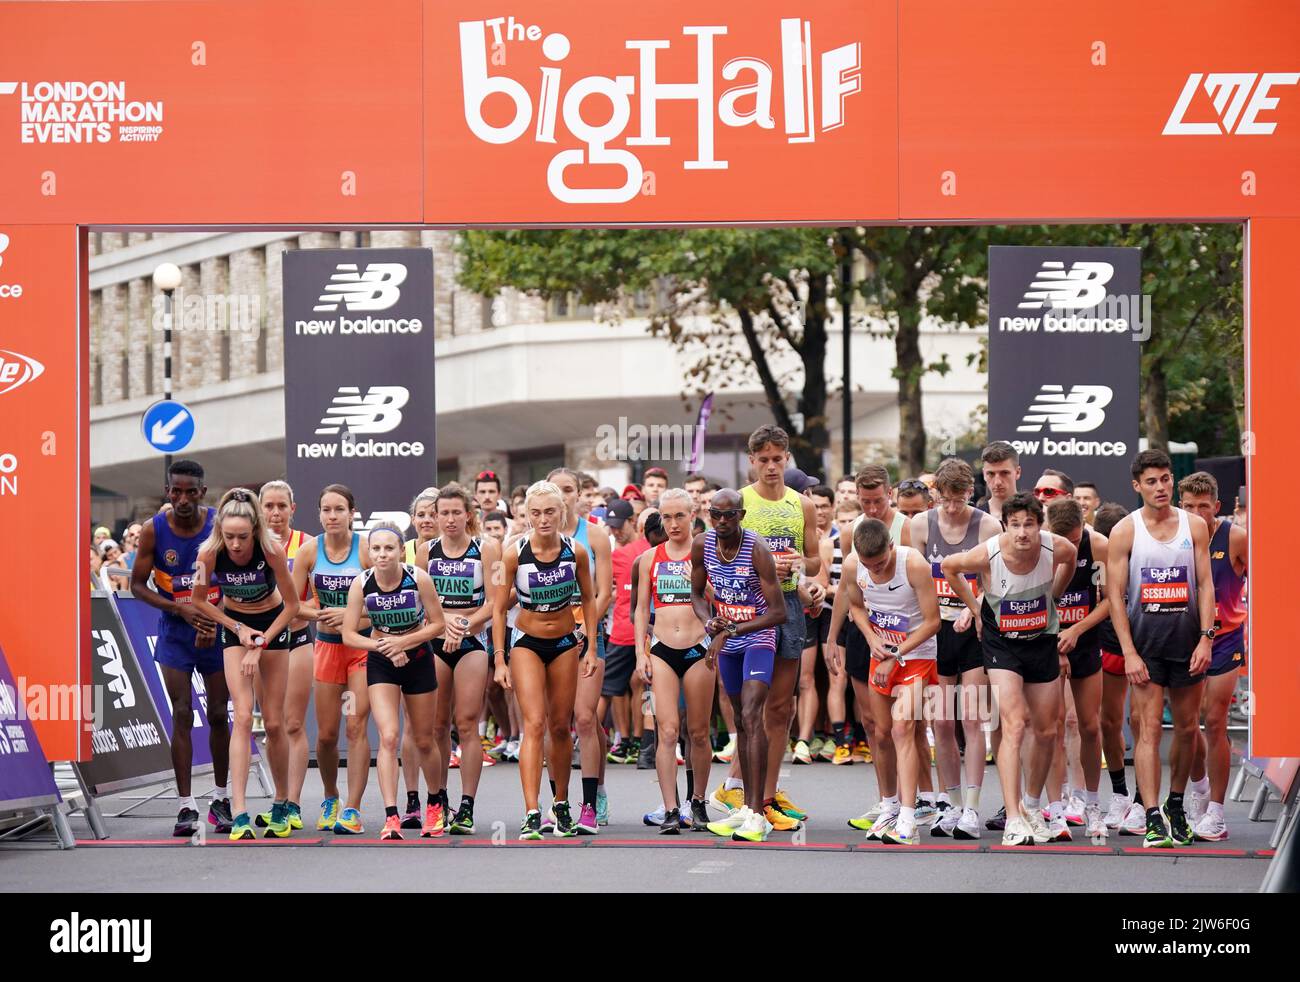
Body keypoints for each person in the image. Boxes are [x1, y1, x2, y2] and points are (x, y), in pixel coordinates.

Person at [942, 491, 1076, 847]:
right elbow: (949, 568)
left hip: (1041, 640)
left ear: (1039, 526)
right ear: (1005, 526)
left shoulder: (1055, 547)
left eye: (1029, 525)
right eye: (1015, 525)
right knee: (1015, 723)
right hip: (1002, 643)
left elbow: (1072, 558)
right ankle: (1014, 816)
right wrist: (974, 609)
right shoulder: (988, 552)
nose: (1022, 533)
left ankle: (1032, 804)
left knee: (1047, 731)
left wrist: (1054, 597)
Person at [1106, 450, 1216, 848]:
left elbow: (1205, 585)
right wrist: (1129, 652)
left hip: (1188, 643)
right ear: (1137, 486)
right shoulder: (1124, 530)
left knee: (1187, 729)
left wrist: (1207, 636)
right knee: (1148, 729)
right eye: (1151, 481)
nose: (1161, 487)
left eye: (1166, 479)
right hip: (1146, 646)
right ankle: (1152, 815)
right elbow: (1115, 597)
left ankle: (1175, 805)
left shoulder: (1195, 526)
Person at [715, 425, 819, 831]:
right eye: (764, 460)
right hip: (746, 609)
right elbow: (718, 558)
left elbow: (815, 560)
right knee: (749, 709)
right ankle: (742, 791)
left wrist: (798, 565)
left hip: (788, 606)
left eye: (779, 459)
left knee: (780, 708)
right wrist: (759, 566)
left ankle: (766, 796)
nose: (772, 466)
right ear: (752, 462)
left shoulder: (802, 504)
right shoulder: (740, 503)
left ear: (787, 459)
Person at [129, 459, 232, 836]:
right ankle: (185, 805)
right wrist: (181, 610)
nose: (183, 498)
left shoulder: (219, 525)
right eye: (176, 491)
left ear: (203, 493)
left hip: (217, 628)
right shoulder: (154, 531)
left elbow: (236, 577)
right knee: (183, 712)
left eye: (191, 491)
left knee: (220, 713)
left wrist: (212, 615)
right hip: (175, 631)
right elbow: (137, 585)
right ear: (167, 492)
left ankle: (221, 799)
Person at [191, 488, 300, 840]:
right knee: (240, 713)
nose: (235, 545)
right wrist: (238, 629)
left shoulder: (271, 550)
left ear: (254, 531)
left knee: (273, 720)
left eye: (242, 537)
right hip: (235, 626)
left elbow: (293, 607)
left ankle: (282, 801)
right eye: (229, 537)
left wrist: (261, 641)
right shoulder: (208, 554)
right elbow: (199, 601)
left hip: (273, 624)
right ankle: (238, 809)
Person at [492, 481, 598, 840]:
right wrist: (500, 659)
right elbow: (497, 609)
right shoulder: (514, 553)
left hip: (566, 643)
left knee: (559, 726)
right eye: (534, 513)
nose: (542, 519)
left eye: (549, 511)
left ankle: (562, 805)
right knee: (534, 723)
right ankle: (532, 811)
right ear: (525, 516)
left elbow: (589, 598)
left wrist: (593, 648)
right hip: (526, 643)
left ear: (562, 513)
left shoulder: (576, 551)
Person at [907, 458, 1000, 838]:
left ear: (969, 494)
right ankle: (951, 802)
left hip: (974, 627)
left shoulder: (987, 525)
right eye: (943, 500)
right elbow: (913, 577)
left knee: (972, 719)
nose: (950, 507)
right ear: (936, 496)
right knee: (941, 722)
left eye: (957, 500)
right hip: (935, 630)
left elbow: (996, 579)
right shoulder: (920, 524)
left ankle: (973, 810)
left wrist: (973, 608)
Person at [838, 518, 941, 844]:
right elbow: (855, 607)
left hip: (916, 654)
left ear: (891, 548)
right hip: (880, 654)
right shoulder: (855, 566)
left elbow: (933, 622)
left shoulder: (914, 564)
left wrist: (895, 653)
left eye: (881, 563)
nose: (877, 570)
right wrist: (870, 638)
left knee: (902, 728)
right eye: (870, 566)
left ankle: (909, 820)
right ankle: (889, 806)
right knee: (880, 734)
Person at [339, 522, 445, 839]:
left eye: (389, 548)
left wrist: (404, 643)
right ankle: (391, 815)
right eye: (376, 549)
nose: (382, 554)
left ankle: (435, 804)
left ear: (401, 551)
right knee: (388, 737)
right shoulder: (362, 583)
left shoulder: (418, 579)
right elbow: (348, 634)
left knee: (424, 739)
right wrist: (385, 646)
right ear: (368, 553)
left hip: (418, 658)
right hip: (381, 659)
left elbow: (437, 625)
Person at [695, 489, 788, 842]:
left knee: (752, 714)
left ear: (741, 515)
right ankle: (749, 811)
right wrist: (709, 622)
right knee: (739, 718)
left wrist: (735, 627)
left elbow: (778, 613)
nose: (721, 522)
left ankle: (756, 813)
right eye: (715, 515)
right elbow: (696, 595)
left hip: (759, 636)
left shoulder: (758, 550)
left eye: (729, 515)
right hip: (729, 642)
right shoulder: (702, 545)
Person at [416, 483, 502, 835]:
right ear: (434, 517)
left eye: (455, 512)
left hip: (471, 641)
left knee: (466, 724)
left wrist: (464, 624)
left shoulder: (487, 548)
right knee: (435, 727)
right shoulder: (425, 552)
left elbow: (495, 602)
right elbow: (420, 603)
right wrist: (444, 625)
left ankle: (466, 806)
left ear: (469, 514)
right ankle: (437, 800)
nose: (449, 520)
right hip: (436, 640)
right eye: (442, 513)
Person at [289, 485, 371, 835]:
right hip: (326, 648)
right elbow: (294, 606)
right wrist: (320, 614)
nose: (332, 516)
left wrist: (350, 615)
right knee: (325, 736)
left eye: (339, 509)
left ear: (353, 512)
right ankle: (330, 795)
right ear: (319, 513)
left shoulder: (366, 551)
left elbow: (385, 606)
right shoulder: (309, 551)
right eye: (326, 509)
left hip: (362, 649)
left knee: (355, 728)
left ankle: (352, 808)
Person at [634, 489, 714, 832]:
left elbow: (722, 601)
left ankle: (697, 802)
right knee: (667, 732)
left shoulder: (707, 553)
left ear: (692, 515)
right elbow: (639, 609)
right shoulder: (650, 558)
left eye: (679, 516)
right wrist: (641, 652)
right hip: (663, 648)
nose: (672, 524)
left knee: (697, 732)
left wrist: (699, 586)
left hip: (699, 647)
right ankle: (670, 808)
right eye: (665, 517)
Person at [1179, 471, 1247, 842]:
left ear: (1217, 507)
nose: (1196, 512)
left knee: (1215, 721)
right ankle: (1200, 789)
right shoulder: (1174, 536)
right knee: (1188, 726)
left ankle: (1217, 812)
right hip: (1184, 640)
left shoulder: (1235, 536)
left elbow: (1264, 582)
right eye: (1188, 506)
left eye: (1203, 506)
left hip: (1225, 640)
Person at [549, 467, 613, 833]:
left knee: (585, 718)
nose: (562, 496)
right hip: (546, 638)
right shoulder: (531, 538)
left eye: (568, 489)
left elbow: (603, 593)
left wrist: (583, 628)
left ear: (579, 494)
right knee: (553, 723)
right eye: (555, 489)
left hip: (588, 635)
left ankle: (592, 799)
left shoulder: (595, 536)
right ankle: (558, 801)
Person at [1045, 495, 1110, 841]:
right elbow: (1035, 600)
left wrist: (1076, 630)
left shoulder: (1098, 544)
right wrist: (1057, 638)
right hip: (1047, 642)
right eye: (1061, 543)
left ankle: (1092, 804)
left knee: (1088, 724)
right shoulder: (1040, 545)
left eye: (1073, 541)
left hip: (1084, 641)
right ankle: (1055, 808)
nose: (1068, 549)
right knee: (1051, 727)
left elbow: (1110, 601)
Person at [255, 480, 314, 832]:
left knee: (292, 723)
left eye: (282, 506)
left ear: (293, 508)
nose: (275, 513)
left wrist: (287, 612)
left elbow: (316, 601)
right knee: (272, 725)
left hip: (296, 639)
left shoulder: (306, 544)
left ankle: (291, 803)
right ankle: (278, 798)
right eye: (269, 506)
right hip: (261, 644)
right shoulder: (249, 543)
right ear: (260, 509)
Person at [1092, 502, 1144, 834]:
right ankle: (1121, 794)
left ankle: (1143, 801)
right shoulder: (1096, 559)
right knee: (1108, 722)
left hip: (1142, 641)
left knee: (1141, 723)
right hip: (1109, 643)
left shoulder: (1140, 554)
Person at [601, 500, 646, 772]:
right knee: (616, 687)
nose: (616, 532)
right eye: (612, 527)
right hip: (619, 628)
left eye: (620, 526)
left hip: (634, 630)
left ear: (633, 520)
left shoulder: (642, 550)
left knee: (635, 684)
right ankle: (628, 741)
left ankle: (639, 741)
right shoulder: (616, 554)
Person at [977, 441, 1021, 524]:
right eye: (991, 474)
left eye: (1004, 473)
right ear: (984, 475)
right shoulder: (975, 519)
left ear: (1017, 472)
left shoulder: (1036, 515)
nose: (998, 482)